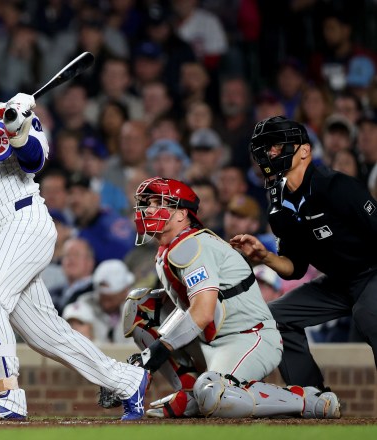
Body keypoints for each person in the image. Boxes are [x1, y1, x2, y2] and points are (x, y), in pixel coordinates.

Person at [0, 40, 148, 421]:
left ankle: (5, 395)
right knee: (44, 334)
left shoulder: (19, 114)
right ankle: (126, 380)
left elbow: (35, 161)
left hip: (22, 221)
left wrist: (18, 129)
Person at [113, 176, 339, 419]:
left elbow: (201, 313)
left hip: (248, 337)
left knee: (214, 395)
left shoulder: (192, 246)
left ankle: (308, 400)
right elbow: (182, 307)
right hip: (210, 338)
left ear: (181, 214)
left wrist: (152, 355)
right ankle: (190, 392)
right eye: (147, 202)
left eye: (159, 203)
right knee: (140, 306)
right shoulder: (169, 249)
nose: (148, 209)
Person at [230, 115, 377, 390]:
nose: (270, 153)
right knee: (272, 317)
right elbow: (295, 268)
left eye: (276, 146)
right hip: (337, 282)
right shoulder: (278, 204)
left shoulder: (337, 186)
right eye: (266, 148)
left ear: (305, 151)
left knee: (368, 312)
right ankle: (314, 399)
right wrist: (264, 256)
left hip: (372, 272)